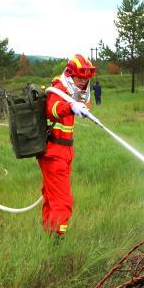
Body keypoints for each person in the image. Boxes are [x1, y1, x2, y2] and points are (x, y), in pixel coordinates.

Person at [37, 53, 96, 236]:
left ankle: (49, 233)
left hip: (65, 151)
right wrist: (70, 106)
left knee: (51, 196)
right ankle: (57, 239)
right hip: (54, 153)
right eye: (80, 78)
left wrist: (78, 105)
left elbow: (85, 103)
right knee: (63, 201)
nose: (83, 82)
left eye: (86, 79)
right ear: (70, 74)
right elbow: (53, 109)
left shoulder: (74, 91)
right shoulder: (59, 88)